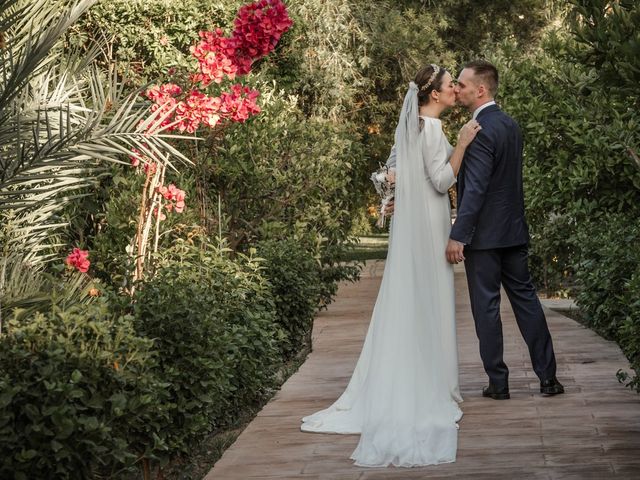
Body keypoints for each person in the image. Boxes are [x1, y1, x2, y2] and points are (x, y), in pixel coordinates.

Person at [301, 64, 481, 467]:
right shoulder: (433, 129)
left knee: (406, 295)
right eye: (450, 85)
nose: (454, 89)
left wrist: (391, 195)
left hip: (408, 228)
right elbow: (439, 181)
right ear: (434, 94)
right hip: (430, 222)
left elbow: (388, 174)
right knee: (431, 296)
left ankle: (406, 375)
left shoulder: (409, 126)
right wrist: (463, 144)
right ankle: (435, 385)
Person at [446, 60, 564, 400]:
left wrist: (459, 233)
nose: (458, 89)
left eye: (463, 84)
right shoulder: (511, 125)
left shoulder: (479, 130)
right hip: (514, 231)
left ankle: (498, 383)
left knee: (486, 307)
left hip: (484, 237)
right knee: (527, 301)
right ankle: (548, 378)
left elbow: (478, 188)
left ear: (480, 89)